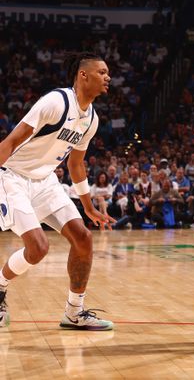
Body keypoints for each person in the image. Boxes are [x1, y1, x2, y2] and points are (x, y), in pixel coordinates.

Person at [0, 52, 115, 330]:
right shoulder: (55, 102)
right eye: (102, 72)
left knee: (84, 239)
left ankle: (74, 311)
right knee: (38, 248)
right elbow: (11, 140)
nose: (107, 77)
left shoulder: (91, 119)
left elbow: (76, 163)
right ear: (82, 75)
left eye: (108, 73)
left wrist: (87, 206)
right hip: (12, 176)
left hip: (45, 180)